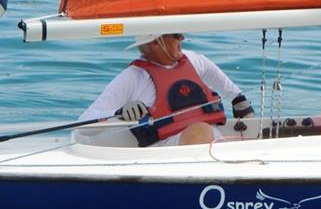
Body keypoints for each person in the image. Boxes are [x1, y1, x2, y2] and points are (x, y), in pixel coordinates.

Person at [79, 33, 253, 146]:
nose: (182, 38)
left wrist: (241, 104)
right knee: (199, 130)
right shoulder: (133, 76)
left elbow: (236, 96)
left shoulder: (194, 60)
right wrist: (118, 113)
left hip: (210, 145)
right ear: (156, 42)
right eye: (176, 35)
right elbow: (84, 125)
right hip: (167, 151)